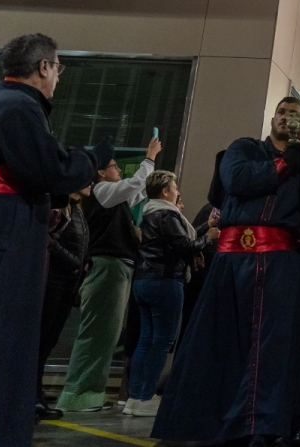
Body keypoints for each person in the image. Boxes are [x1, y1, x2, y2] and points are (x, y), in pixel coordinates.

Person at [153, 97, 300, 447]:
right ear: (272, 119)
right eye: (283, 113)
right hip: (231, 261)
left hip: (280, 260)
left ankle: (264, 425)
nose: (288, 119)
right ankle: (209, 419)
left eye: (296, 115)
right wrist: (287, 163)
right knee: (221, 339)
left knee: (273, 347)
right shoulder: (244, 148)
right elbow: (238, 179)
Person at [0, 33, 107, 447]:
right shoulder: (17, 106)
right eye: (57, 67)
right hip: (1, 233)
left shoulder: (3, 105)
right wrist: (91, 158)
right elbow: (49, 172)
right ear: (43, 67)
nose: (58, 76)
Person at [57, 135, 161, 412]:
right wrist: (149, 159)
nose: (118, 171)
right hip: (108, 267)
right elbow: (135, 184)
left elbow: (138, 190)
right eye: (114, 166)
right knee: (97, 333)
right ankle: (78, 394)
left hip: (117, 268)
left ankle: (89, 393)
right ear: (101, 172)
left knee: (106, 334)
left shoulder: (111, 198)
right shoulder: (101, 191)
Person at [124, 171, 219, 417]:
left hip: (144, 280)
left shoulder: (151, 213)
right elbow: (185, 246)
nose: (177, 192)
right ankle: (146, 397)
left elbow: (178, 238)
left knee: (146, 339)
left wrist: (203, 227)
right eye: (175, 187)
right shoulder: (167, 214)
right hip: (164, 282)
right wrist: (208, 238)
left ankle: (135, 397)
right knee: (162, 340)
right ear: (165, 192)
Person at [36, 184, 93, 420]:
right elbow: (48, 238)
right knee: (41, 340)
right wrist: (73, 261)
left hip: (67, 282)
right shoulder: (62, 207)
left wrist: (82, 262)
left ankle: (35, 395)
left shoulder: (77, 209)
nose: (90, 183)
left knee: (48, 340)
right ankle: (33, 397)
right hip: (54, 281)